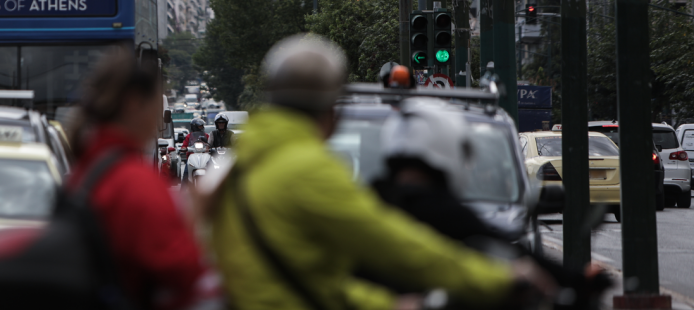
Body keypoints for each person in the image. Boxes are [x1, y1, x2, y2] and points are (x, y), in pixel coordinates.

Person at [209, 35, 556, 310]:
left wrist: (385, 304)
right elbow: (397, 246)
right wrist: (497, 281)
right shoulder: (306, 169)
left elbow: (313, 284)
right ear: (331, 111)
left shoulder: (243, 165)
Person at [370, 99, 610, 306]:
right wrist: (576, 279)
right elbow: (507, 249)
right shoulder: (440, 211)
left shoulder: (368, 202)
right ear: (448, 148)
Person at [67, 47, 220, 310]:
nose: (158, 119)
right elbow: (182, 273)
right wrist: (195, 215)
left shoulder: (86, 165)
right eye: (155, 105)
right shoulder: (134, 182)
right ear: (134, 103)